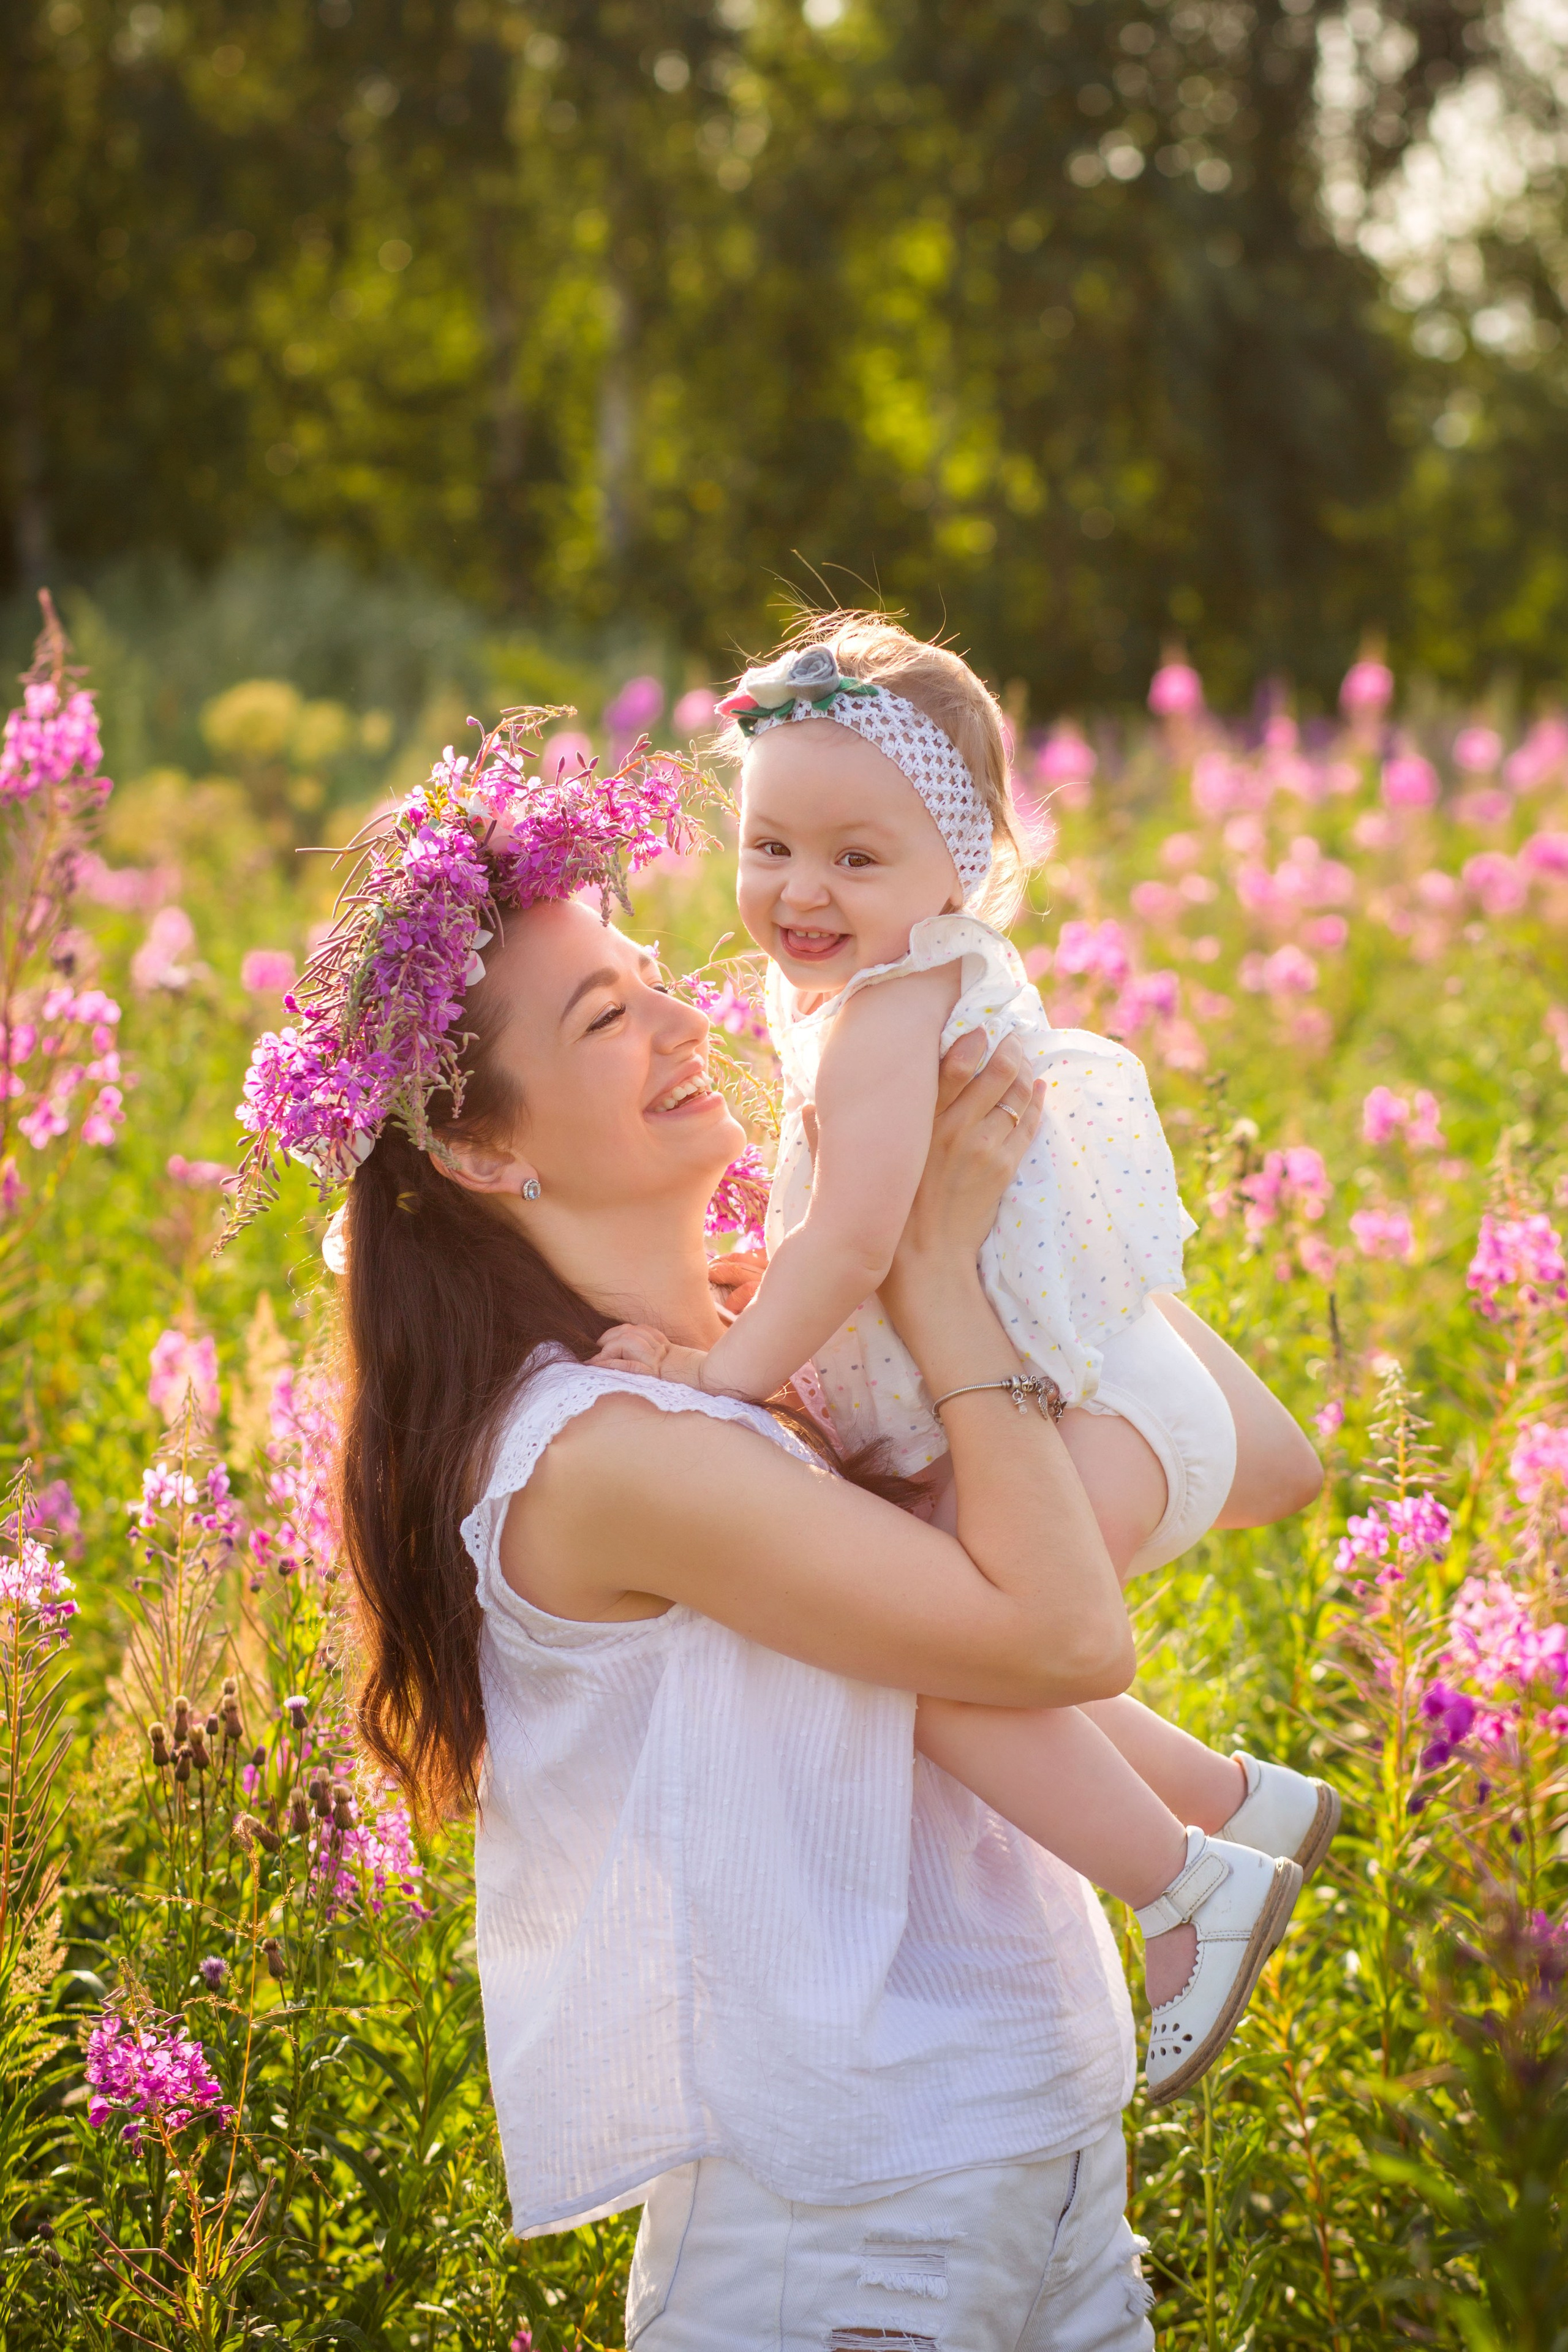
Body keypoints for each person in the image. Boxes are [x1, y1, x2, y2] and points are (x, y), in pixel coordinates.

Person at [230, 725, 1167, 2346]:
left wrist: (1010, 1210)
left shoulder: (748, 1357)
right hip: (854, 2245)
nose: (683, 1016)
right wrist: (934, 1276)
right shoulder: (600, 1451)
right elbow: (1066, 1639)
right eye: (605, 1015)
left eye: (655, 971)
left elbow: (1248, 1455)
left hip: (1042, 2180)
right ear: (477, 1149)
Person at [594, 617, 1335, 2096]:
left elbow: (862, 1245)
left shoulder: (884, 1014)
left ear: (963, 864)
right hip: (1110, 1393)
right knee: (928, 1614)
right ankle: (1229, 1800)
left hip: (1087, 1413)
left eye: (856, 861)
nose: (801, 891)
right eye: (771, 846)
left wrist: (719, 1374)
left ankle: (1182, 1885)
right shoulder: (874, 993)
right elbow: (851, 1239)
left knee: (917, 1649)